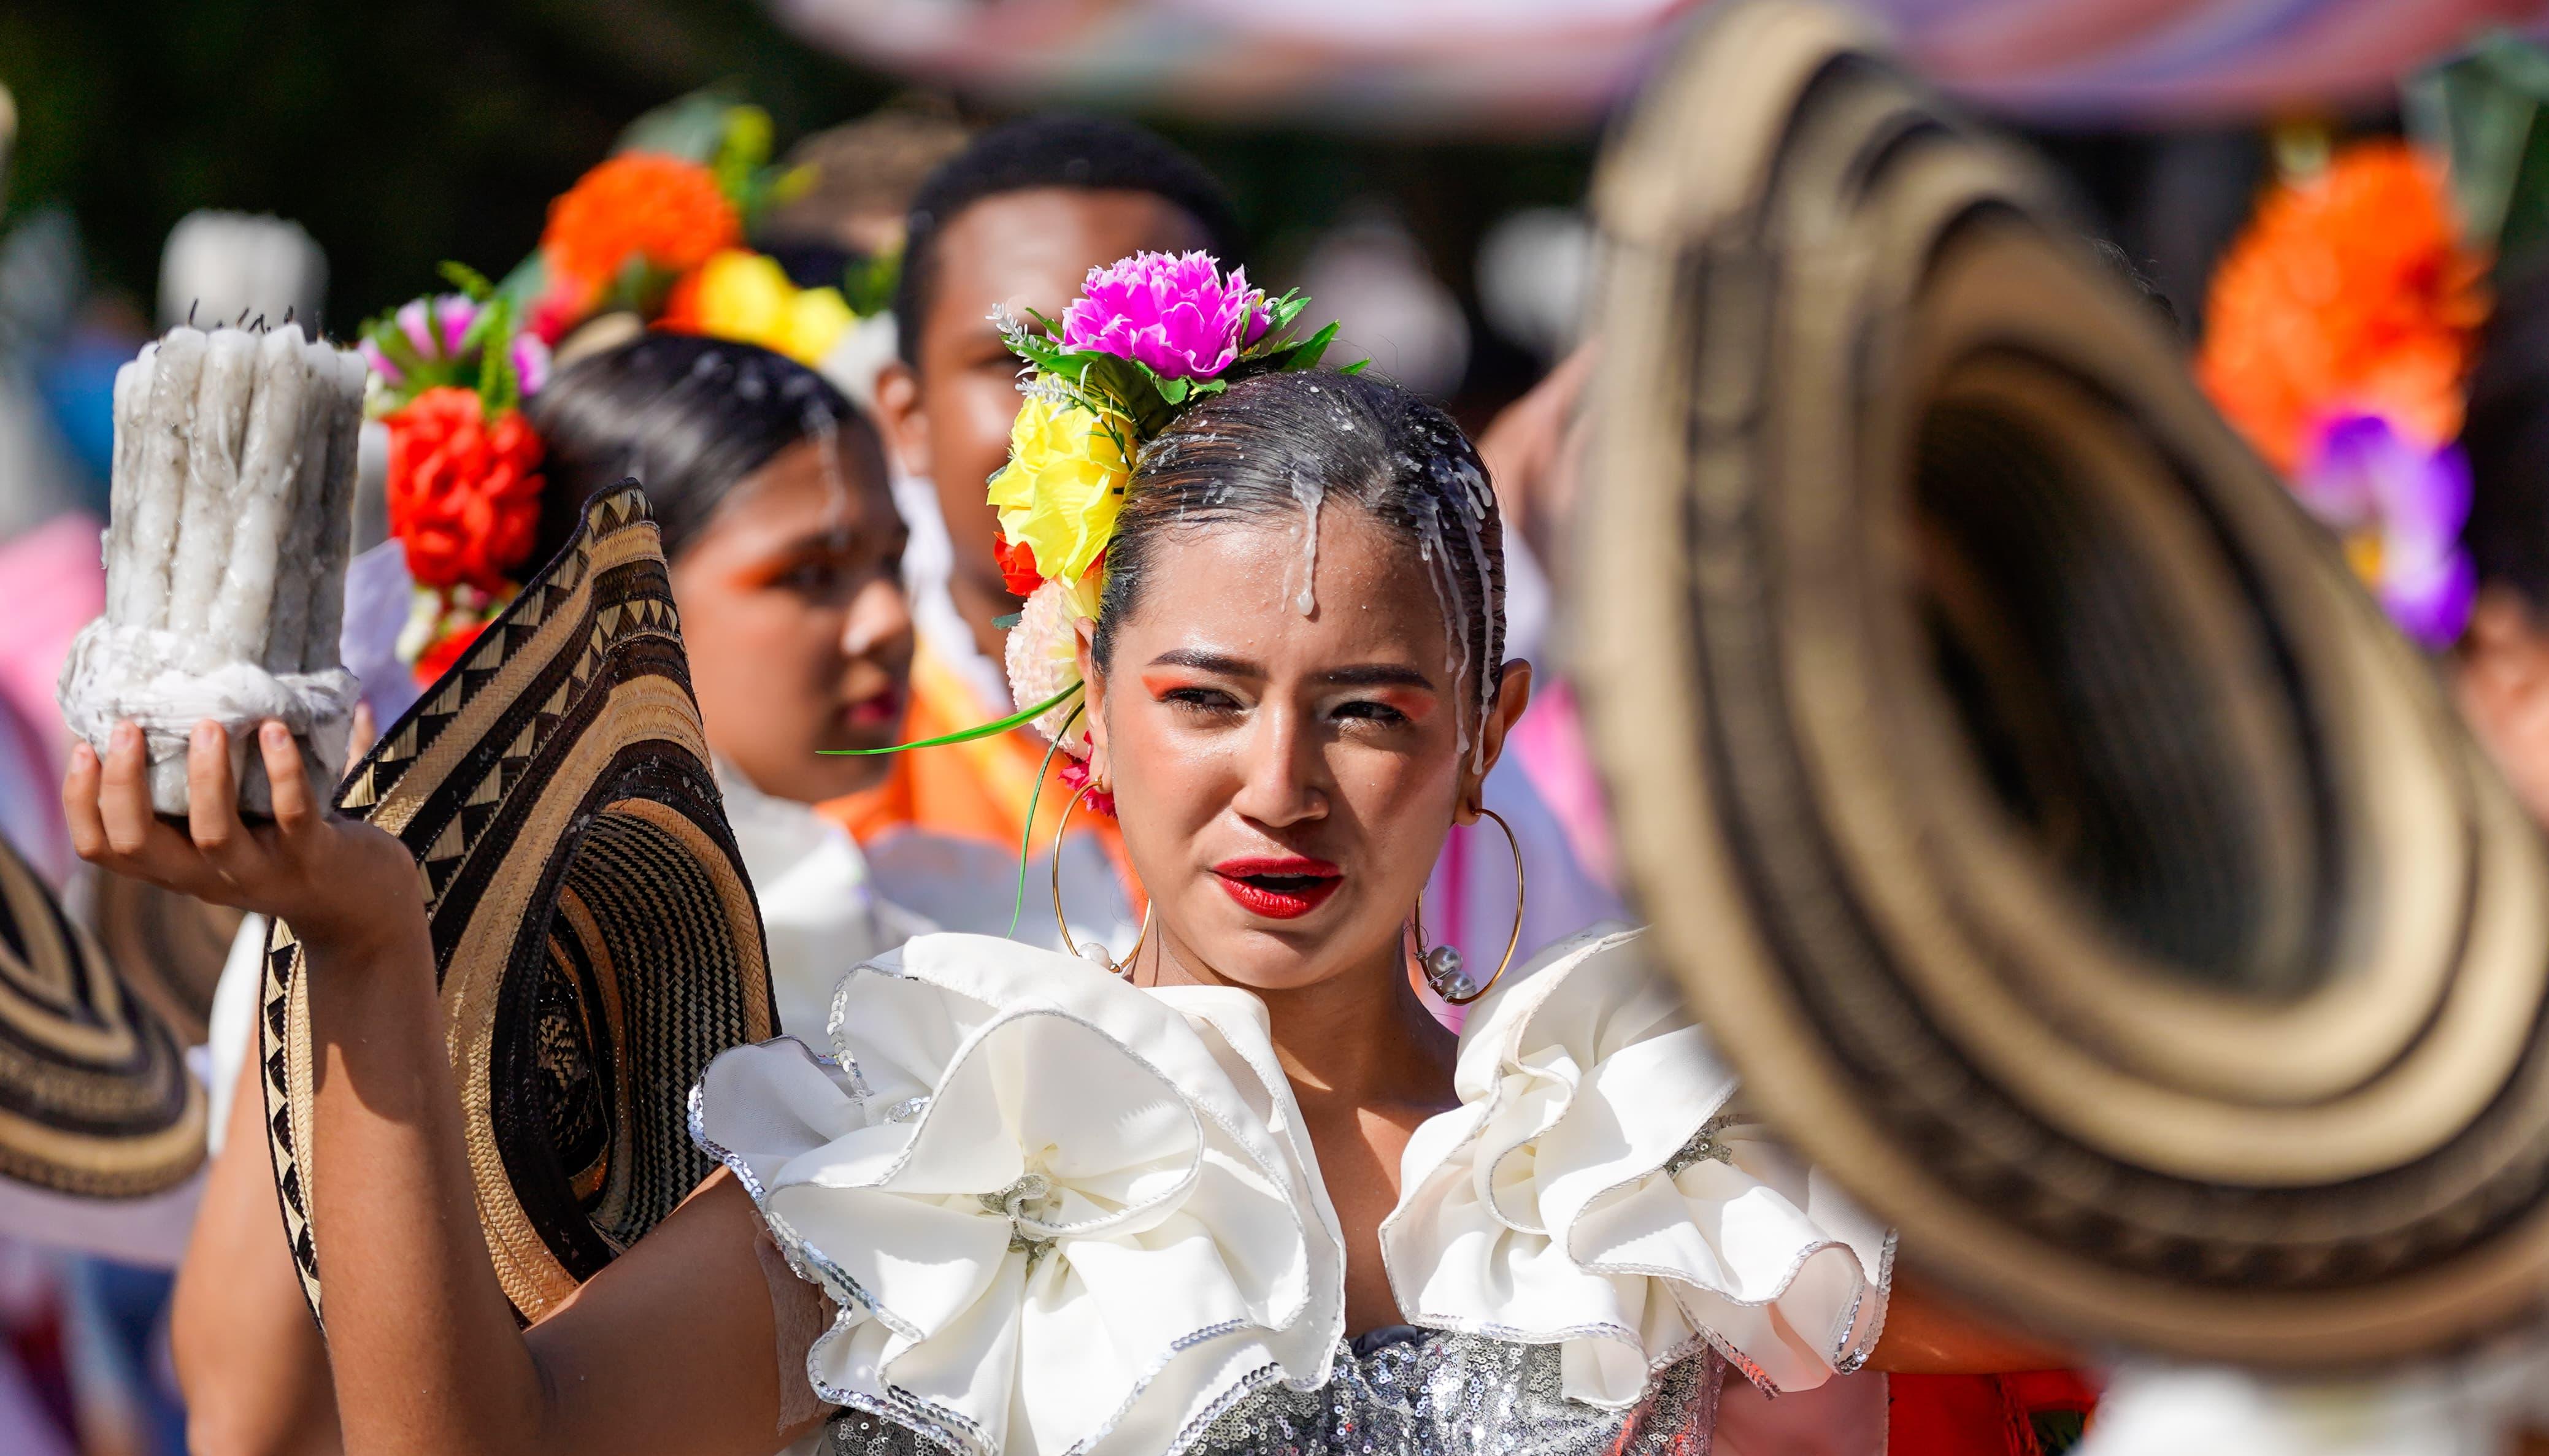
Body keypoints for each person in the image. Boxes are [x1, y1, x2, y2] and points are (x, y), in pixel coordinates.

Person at [75, 260, 2048, 1455]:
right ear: (1084, 706)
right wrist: (369, 952)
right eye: (1205, 696)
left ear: (1486, 734)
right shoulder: (929, 1151)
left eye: (1368, 708)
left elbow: (2146, 1305)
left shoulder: (1645, 1156)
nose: (1279, 782)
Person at [167, 332, 1130, 1456]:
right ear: (611, 606)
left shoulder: (964, 906)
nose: (884, 620)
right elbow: (248, 1421)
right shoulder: (395, 923)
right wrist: (342, 940)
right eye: (808, 573)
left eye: (888, 560)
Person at [855, 113, 1242, 858]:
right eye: (1020, 365)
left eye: (1147, 369)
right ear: (907, 417)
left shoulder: (1378, 742)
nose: (1086, 420)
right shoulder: (809, 741)